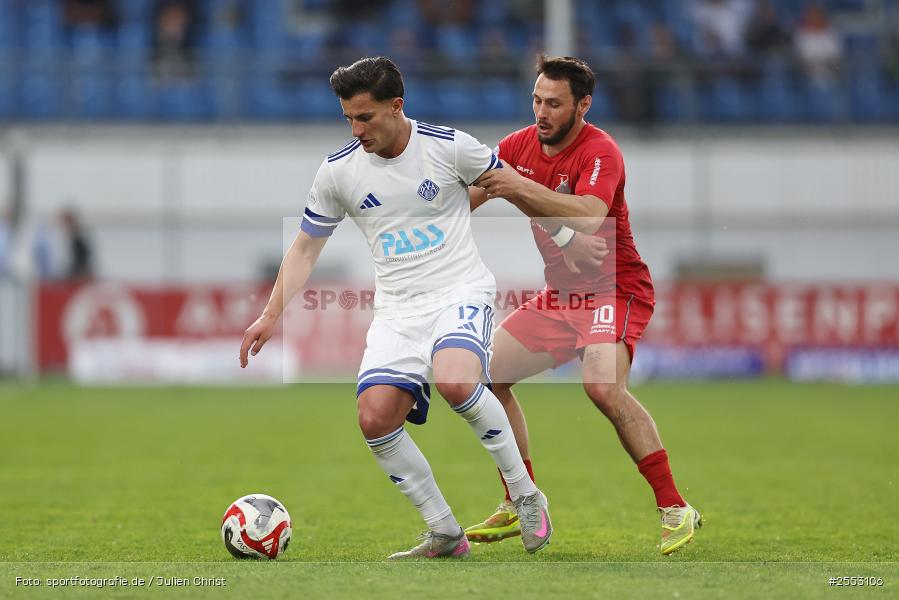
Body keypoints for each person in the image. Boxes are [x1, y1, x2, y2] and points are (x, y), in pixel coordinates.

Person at [239, 57, 552, 559]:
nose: (356, 129)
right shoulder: (339, 172)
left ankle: (525, 494)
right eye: (348, 119)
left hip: (459, 292)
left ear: (396, 106)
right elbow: (304, 248)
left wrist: (565, 227)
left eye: (365, 117)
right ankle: (446, 533)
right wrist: (270, 313)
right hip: (398, 311)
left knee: (456, 382)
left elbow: (510, 184)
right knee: (374, 417)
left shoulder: (449, 147)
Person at [465, 55, 701, 555]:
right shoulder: (516, 146)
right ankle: (520, 500)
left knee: (601, 388)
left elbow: (593, 217)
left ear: (582, 105)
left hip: (615, 289)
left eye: (554, 103)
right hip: (561, 297)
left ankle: (675, 507)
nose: (542, 112)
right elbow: (470, 196)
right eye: (536, 100)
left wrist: (518, 186)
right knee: (484, 377)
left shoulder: (601, 151)